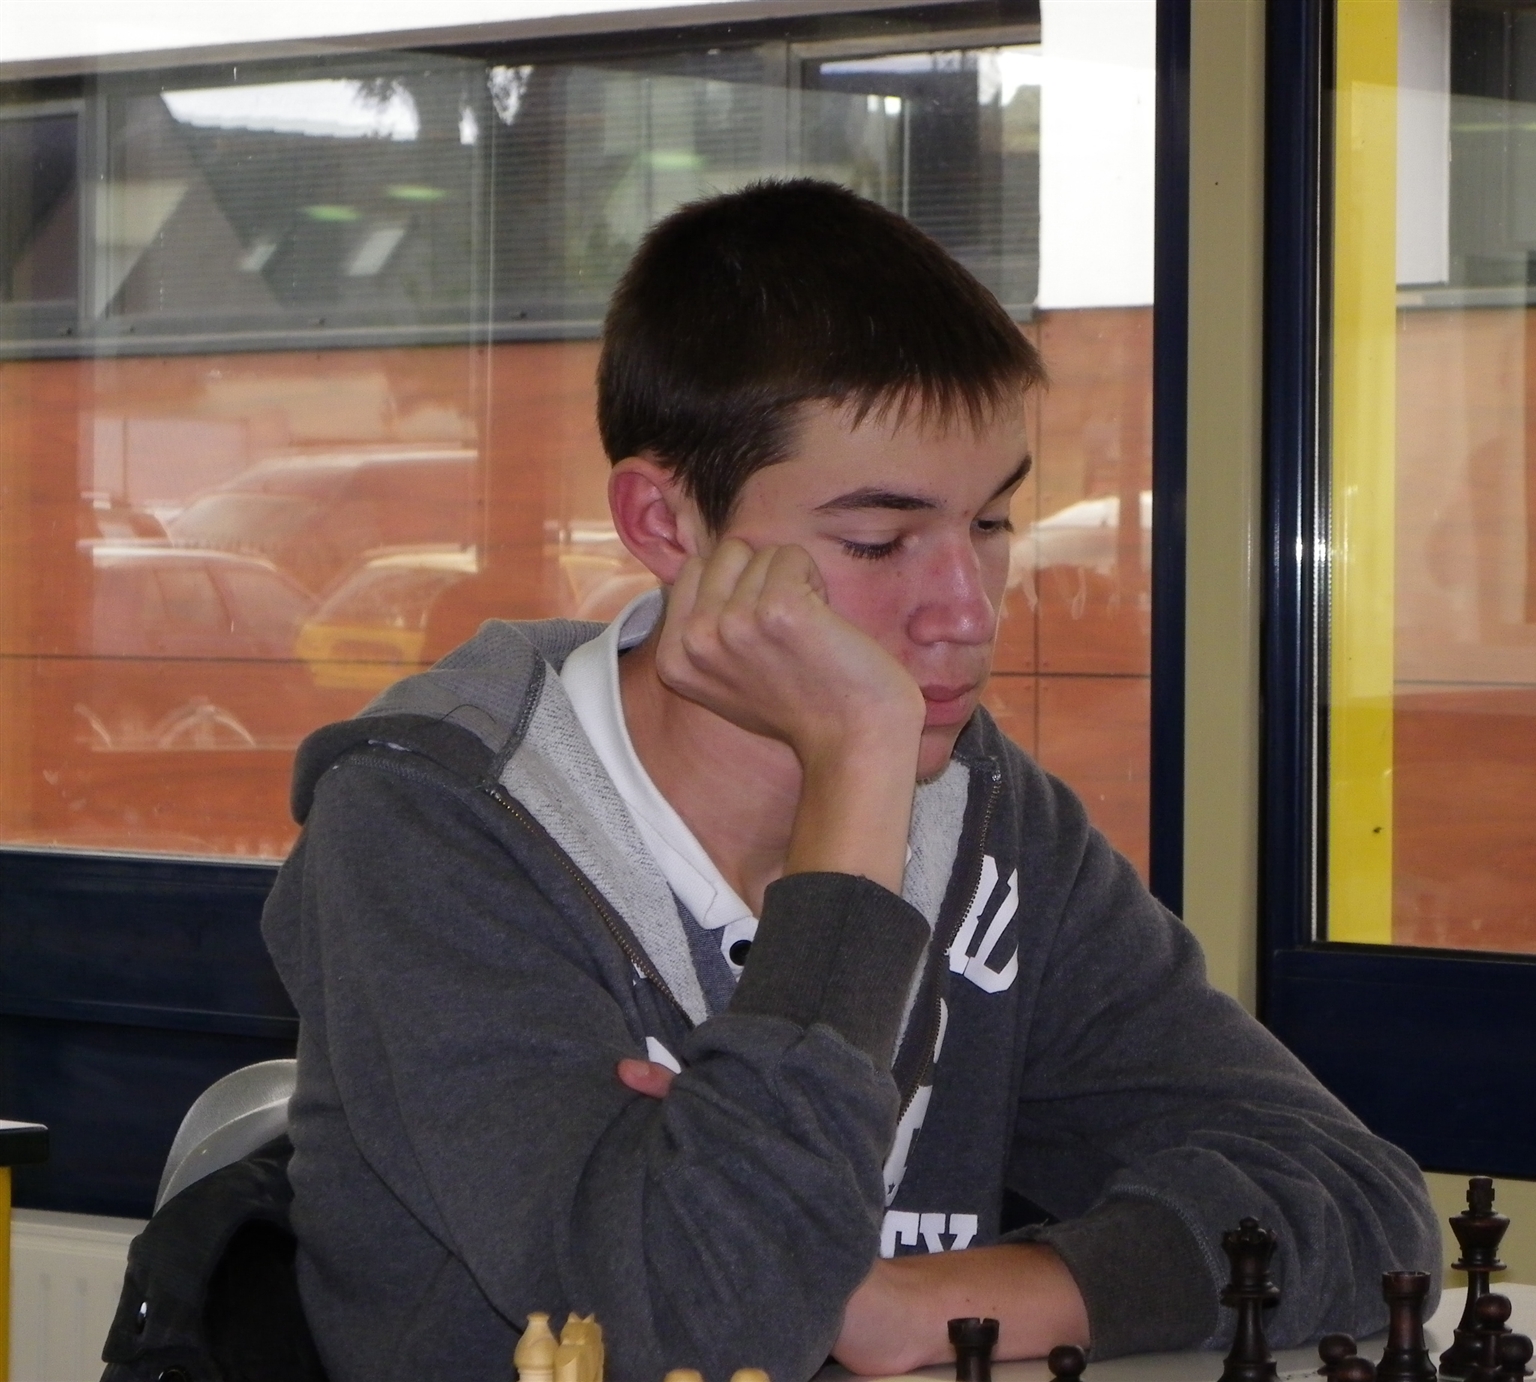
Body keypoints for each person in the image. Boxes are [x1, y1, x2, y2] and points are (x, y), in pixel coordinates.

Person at [261, 179, 1440, 1382]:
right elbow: (707, 1324)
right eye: (877, 540)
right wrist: (861, 767)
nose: (968, 612)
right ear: (664, 522)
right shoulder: (430, 831)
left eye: (992, 522)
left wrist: (931, 1307)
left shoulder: (995, 823)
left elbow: (1361, 1202)